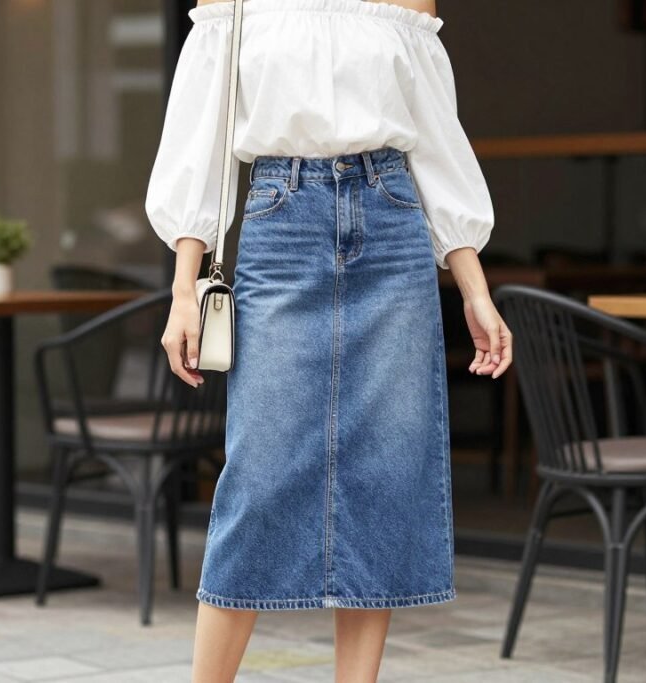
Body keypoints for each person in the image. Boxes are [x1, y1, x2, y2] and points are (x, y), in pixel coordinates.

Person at [145, 0, 513, 680]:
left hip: (392, 222)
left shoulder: (406, 3)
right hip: (282, 221)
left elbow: (437, 145)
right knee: (259, 476)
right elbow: (199, 144)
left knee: (386, 472)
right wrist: (182, 290)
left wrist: (475, 288)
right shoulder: (234, 6)